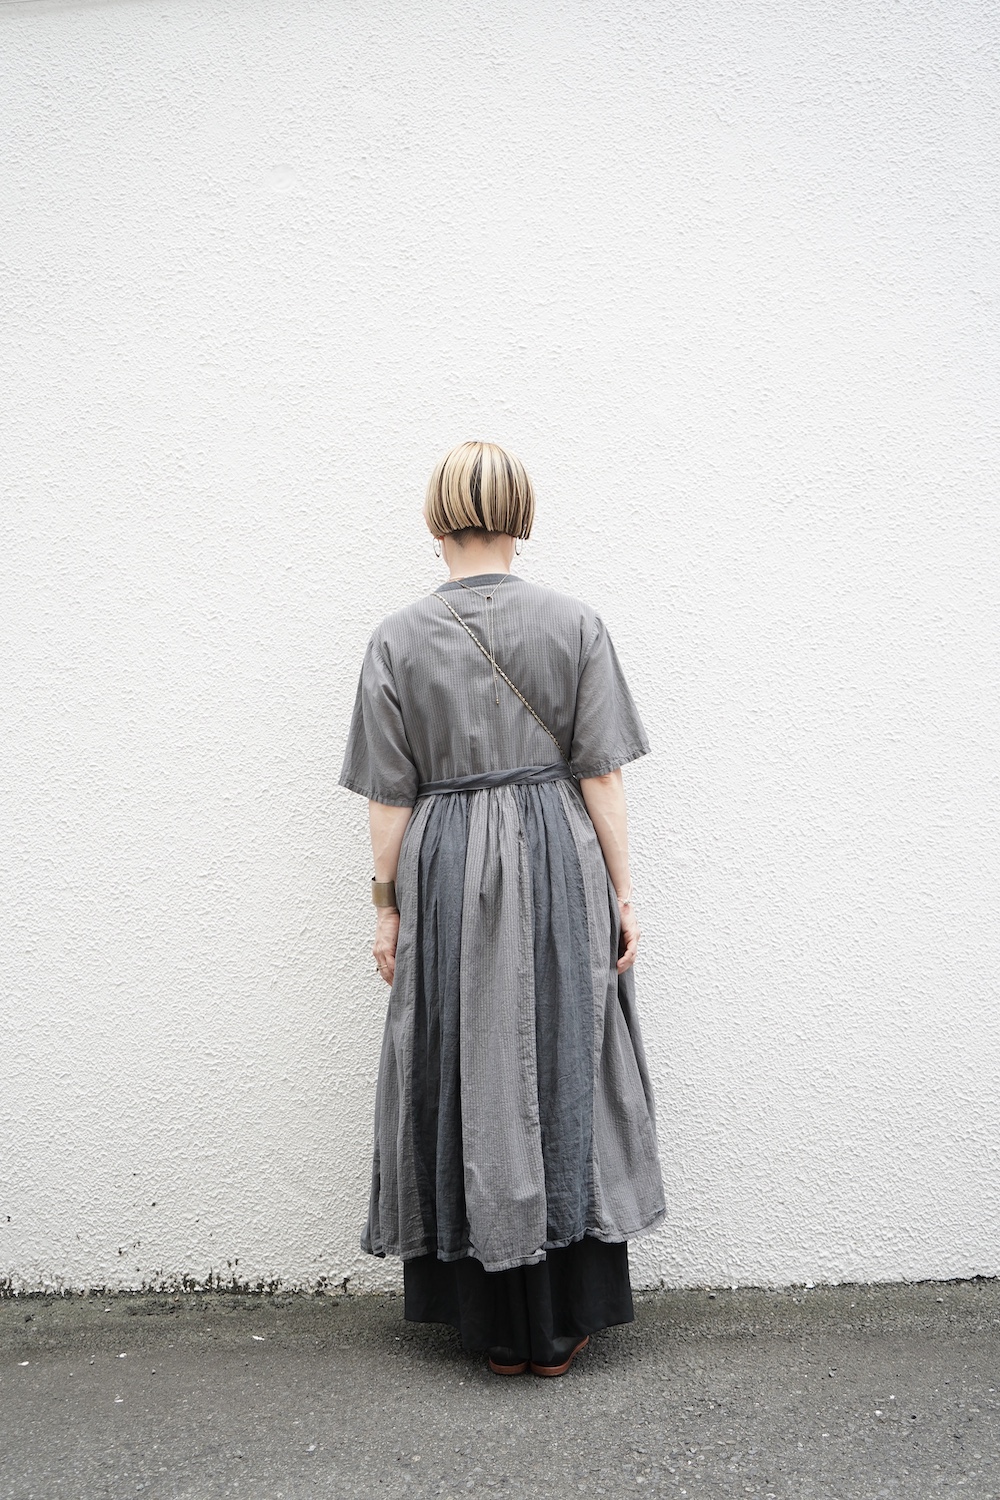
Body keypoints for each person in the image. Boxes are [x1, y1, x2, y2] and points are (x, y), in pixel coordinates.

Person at [338, 440, 665, 1377]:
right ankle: (561, 1321)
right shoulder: (575, 624)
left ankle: (487, 1323)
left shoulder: (397, 638)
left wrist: (387, 907)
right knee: (566, 1054)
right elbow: (601, 775)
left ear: (436, 519)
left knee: (463, 1061)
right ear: (522, 515)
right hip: (558, 855)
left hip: (444, 864)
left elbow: (389, 798)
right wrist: (622, 891)